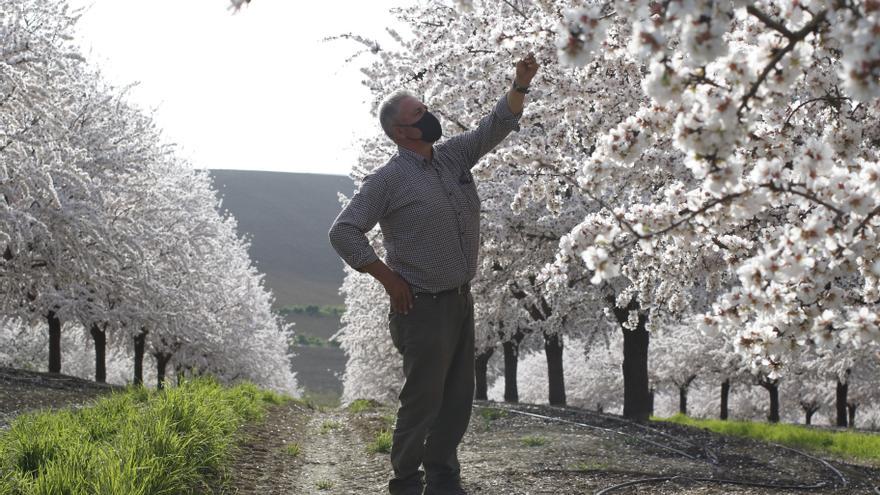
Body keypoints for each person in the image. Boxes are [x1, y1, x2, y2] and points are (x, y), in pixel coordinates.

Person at [329, 53, 539, 495]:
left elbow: (494, 127)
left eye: (425, 108)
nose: (429, 116)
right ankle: (405, 483)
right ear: (401, 132)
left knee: (458, 401)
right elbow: (344, 231)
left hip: (460, 300)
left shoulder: (452, 158)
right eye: (418, 114)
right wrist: (388, 278)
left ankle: (444, 480)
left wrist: (519, 84)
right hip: (421, 306)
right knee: (422, 403)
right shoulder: (387, 181)